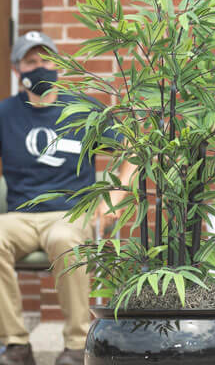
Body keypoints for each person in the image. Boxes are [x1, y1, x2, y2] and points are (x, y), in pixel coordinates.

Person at [0, 32, 134, 365]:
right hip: (20, 214)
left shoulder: (82, 108)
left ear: (59, 64)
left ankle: (76, 344)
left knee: (64, 240)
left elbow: (131, 151)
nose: (40, 66)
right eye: (31, 61)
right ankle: (16, 343)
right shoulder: (5, 114)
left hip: (71, 214)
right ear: (17, 69)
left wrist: (114, 197)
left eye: (47, 59)